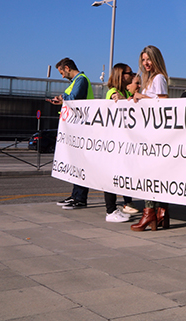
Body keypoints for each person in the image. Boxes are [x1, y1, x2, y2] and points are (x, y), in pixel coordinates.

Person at [130, 45, 170, 231]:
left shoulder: (159, 78)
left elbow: (162, 103)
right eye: (143, 60)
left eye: (149, 59)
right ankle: (159, 212)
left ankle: (150, 213)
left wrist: (142, 96)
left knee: (150, 174)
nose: (146, 63)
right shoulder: (149, 79)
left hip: (156, 134)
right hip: (149, 132)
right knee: (153, 174)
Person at [51, 57, 94, 210]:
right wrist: (61, 100)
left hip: (82, 128)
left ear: (67, 68)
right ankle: (76, 195)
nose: (62, 76)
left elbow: (73, 99)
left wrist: (62, 97)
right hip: (76, 128)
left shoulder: (80, 80)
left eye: (62, 72)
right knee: (76, 164)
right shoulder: (75, 82)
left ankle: (80, 198)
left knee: (80, 164)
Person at [103, 63, 138, 222]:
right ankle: (110, 211)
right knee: (111, 176)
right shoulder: (113, 92)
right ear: (120, 75)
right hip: (114, 143)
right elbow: (117, 105)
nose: (132, 76)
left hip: (122, 142)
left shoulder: (124, 92)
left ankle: (123, 205)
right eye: (129, 73)